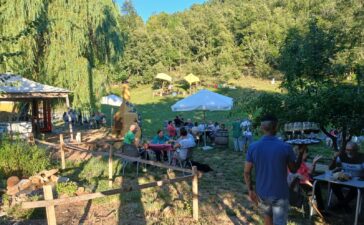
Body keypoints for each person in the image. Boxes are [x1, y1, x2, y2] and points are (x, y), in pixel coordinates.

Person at [244, 115, 304, 225]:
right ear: (276, 127)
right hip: (280, 193)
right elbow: (294, 169)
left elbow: (247, 172)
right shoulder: (285, 147)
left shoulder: (253, 147)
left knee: (267, 217)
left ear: (261, 128)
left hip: (262, 193)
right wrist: (301, 153)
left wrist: (250, 190)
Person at [288, 145, 325, 214]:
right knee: (316, 186)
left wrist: (314, 163)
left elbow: (310, 172)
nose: (307, 154)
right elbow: (296, 177)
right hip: (299, 185)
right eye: (305, 153)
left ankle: (318, 208)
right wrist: (310, 183)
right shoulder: (293, 164)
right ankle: (320, 209)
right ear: (299, 154)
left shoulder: (301, 162)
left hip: (306, 182)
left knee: (316, 185)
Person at [328, 141, 364, 212]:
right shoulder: (342, 156)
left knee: (356, 189)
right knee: (333, 184)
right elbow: (331, 168)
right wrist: (334, 158)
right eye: (347, 150)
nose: (349, 152)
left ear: (357, 150)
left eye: (352, 150)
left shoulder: (362, 157)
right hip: (345, 179)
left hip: (358, 180)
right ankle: (345, 205)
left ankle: (340, 205)